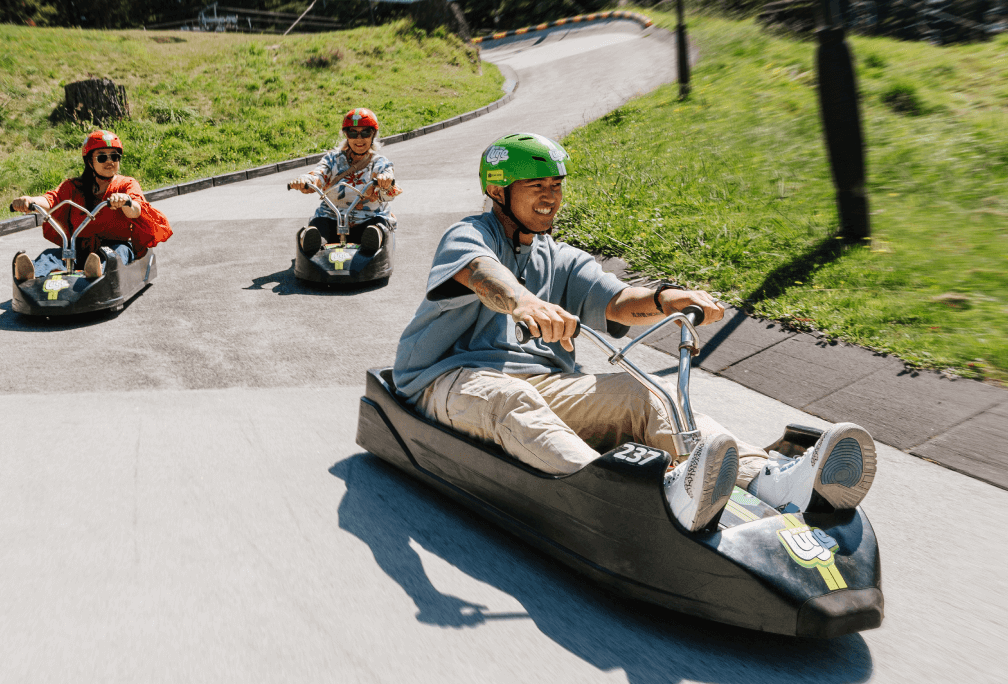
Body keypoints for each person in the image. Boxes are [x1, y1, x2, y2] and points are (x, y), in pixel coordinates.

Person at [393, 132, 878, 531]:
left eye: (556, 185)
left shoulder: (558, 257)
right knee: (511, 402)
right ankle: (625, 496)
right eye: (535, 185)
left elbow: (619, 301)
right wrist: (525, 303)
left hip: (540, 384)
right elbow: (482, 275)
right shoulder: (470, 234)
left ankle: (773, 481)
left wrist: (668, 298)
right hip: (448, 378)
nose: (550, 197)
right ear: (499, 191)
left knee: (645, 391)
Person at [8, 130, 173, 281]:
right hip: (81, 249)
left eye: (114, 157)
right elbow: (52, 200)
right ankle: (31, 275)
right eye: (102, 157)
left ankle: (98, 273)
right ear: (89, 162)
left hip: (116, 245)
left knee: (118, 253)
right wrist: (30, 201)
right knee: (50, 256)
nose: (109, 161)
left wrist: (125, 201)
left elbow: (136, 210)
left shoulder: (127, 184)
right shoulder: (73, 186)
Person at [288, 107, 401, 256]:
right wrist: (305, 180)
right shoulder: (332, 159)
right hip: (332, 217)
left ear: (373, 135)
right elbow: (319, 174)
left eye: (365, 133)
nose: (359, 139)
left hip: (368, 219)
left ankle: (374, 240)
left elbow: (386, 177)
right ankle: (314, 242)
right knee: (318, 225)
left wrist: (385, 180)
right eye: (353, 133)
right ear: (346, 135)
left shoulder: (378, 162)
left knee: (376, 226)